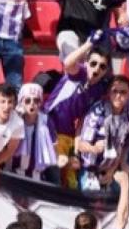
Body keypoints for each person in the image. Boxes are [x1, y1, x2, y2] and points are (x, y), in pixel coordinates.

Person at [44, 40, 112, 188]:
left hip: (68, 134)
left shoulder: (99, 89)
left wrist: (75, 152)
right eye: (93, 63)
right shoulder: (79, 72)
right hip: (48, 127)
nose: (97, 69)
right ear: (86, 62)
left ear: (106, 71)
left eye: (102, 66)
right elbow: (68, 63)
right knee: (55, 175)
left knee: (71, 182)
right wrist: (89, 44)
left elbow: (83, 120)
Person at [77, 75, 129, 191]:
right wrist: (94, 149)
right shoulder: (97, 112)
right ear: (109, 93)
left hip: (110, 169)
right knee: (93, 201)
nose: (118, 96)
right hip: (90, 169)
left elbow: (122, 148)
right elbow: (80, 145)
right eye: (115, 91)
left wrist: (110, 173)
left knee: (123, 197)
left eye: (123, 92)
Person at [7, 82, 60, 184]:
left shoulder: (46, 121)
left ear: (40, 103)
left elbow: (53, 150)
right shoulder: (14, 119)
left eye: (36, 100)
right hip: (13, 175)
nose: (32, 104)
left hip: (37, 177)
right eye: (27, 100)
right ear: (21, 102)